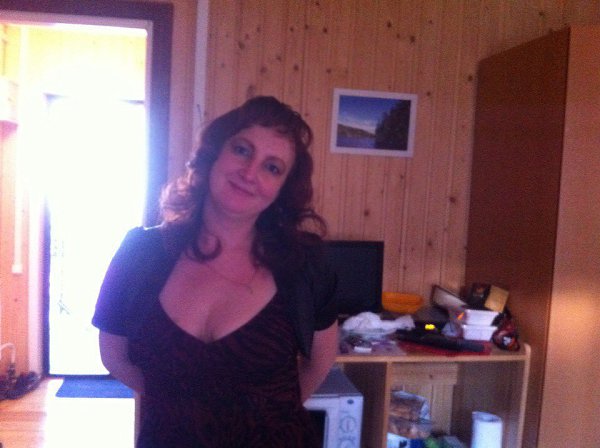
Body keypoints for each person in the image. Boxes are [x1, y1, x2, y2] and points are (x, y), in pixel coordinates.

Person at [92, 96, 339, 447]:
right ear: (215, 153)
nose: (250, 173)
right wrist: (184, 405)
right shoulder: (139, 253)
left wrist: (263, 416)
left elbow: (319, 363)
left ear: (282, 189)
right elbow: (114, 357)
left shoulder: (306, 264)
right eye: (242, 150)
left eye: (272, 168)